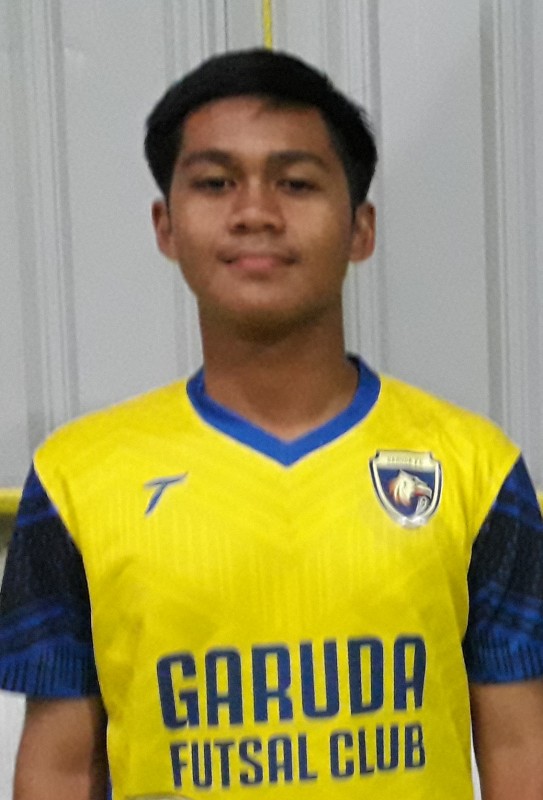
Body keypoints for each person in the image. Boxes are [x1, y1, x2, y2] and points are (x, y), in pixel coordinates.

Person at [1, 48, 543, 800]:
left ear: (360, 229)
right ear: (165, 226)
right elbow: (62, 766)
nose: (255, 212)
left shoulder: (474, 469)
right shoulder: (75, 481)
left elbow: (519, 746)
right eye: (215, 182)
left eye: (295, 182)